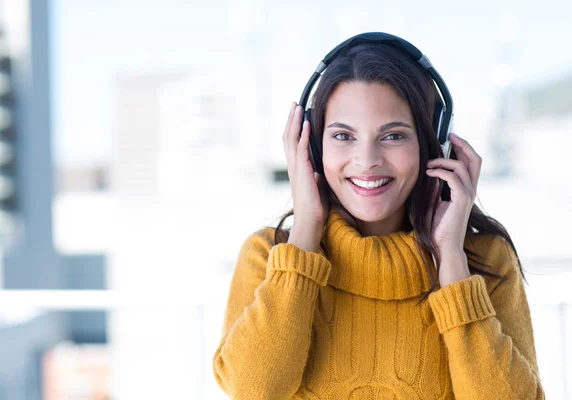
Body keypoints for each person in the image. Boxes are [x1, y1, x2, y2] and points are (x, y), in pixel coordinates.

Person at [212, 39, 545, 399]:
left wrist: (450, 261)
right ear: (311, 147)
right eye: (343, 135)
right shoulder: (268, 256)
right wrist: (306, 228)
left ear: (431, 142)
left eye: (393, 135)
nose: (367, 159)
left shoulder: (485, 260)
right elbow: (253, 391)